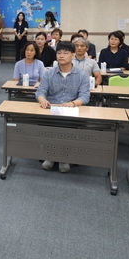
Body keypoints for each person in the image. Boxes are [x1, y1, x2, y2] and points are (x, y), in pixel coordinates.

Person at [35, 41, 90, 173]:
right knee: (51, 128)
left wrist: (72, 103)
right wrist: (42, 100)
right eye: (59, 53)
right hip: (52, 110)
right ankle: (50, 156)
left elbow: (84, 97)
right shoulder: (49, 73)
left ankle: (64, 158)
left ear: (73, 55)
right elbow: (40, 91)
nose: (61, 56)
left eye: (65, 53)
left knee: (67, 129)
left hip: (70, 111)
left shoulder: (82, 75)